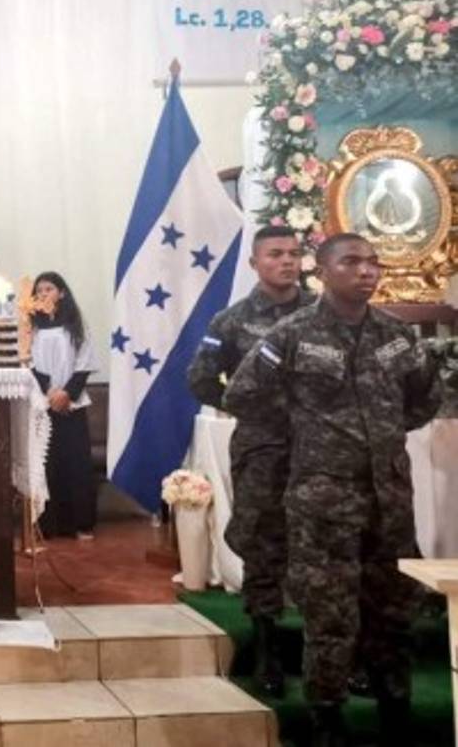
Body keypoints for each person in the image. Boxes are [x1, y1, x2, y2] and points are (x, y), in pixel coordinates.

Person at [224, 233, 440, 745]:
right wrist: (308, 429)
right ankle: (327, 716)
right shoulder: (292, 333)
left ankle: (395, 706)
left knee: (392, 609)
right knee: (330, 614)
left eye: (372, 263)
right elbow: (243, 393)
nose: (366, 271)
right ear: (322, 271)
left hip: (389, 499)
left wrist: (380, 434)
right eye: (351, 262)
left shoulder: (395, 334)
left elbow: (424, 396)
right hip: (323, 501)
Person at [186, 224, 313, 696]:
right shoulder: (231, 321)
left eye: (294, 253)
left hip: (322, 448)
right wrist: (247, 404)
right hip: (262, 450)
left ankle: (338, 653)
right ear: (255, 262)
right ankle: (267, 653)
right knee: (265, 545)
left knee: (328, 546)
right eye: (276, 253)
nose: (287, 261)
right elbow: (200, 379)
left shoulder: (325, 315)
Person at [28, 272, 97, 540]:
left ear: (62, 293)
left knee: (75, 463)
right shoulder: (30, 327)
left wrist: (67, 394)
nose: (44, 293)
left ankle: (81, 523)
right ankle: (49, 525)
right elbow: (28, 362)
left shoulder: (77, 326)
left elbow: (85, 362)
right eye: (39, 290)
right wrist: (49, 391)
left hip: (72, 404)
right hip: (42, 403)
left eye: (49, 288)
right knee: (47, 464)